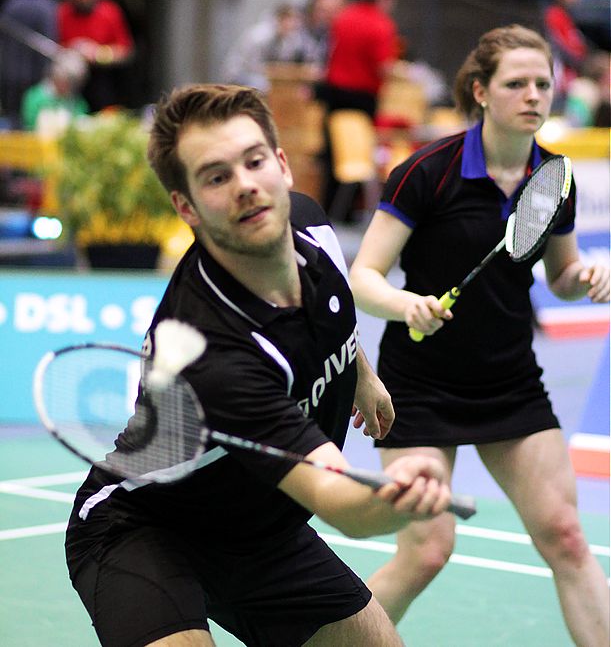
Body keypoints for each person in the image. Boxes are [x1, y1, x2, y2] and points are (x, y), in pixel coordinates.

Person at [64, 83, 453, 647]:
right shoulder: (210, 354)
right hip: (145, 528)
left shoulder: (312, 227)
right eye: (217, 176)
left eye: (253, 161)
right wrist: (399, 497)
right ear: (186, 207)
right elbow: (341, 502)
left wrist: (362, 375)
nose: (246, 185)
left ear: (283, 165)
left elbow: (330, 311)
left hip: (257, 529)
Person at [349, 24, 610, 647]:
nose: (533, 95)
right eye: (515, 83)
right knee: (428, 548)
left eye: (542, 83)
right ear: (480, 91)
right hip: (421, 385)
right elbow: (363, 275)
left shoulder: (555, 177)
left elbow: (561, 274)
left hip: (509, 380)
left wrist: (586, 277)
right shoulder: (428, 173)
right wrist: (406, 304)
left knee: (568, 537)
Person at [315, 0, 400, 222]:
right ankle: (349, 213)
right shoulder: (381, 24)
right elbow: (383, 66)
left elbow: (329, 55)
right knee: (360, 155)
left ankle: (330, 209)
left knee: (334, 155)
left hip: (334, 93)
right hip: (362, 97)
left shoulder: (343, 17)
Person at [57, 0, 134, 112]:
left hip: (103, 78)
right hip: (71, 79)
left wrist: (99, 53)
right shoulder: (63, 12)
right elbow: (55, 46)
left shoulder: (109, 11)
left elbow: (125, 51)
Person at [223, 5, 321, 93]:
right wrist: (278, 71)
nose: (294, 25)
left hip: (264, 75)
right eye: (291, 21)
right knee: (264, 86)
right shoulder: (259, 36)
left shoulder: (289, 37)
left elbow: (307, 55)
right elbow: (252, 66)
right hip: (240, 74)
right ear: (280, 19)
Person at [0, 0, 58, 128]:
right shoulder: (46, 6)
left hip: (9, 74)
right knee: (32, 123)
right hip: (35, 76)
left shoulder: (11, 4)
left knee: (12, 119)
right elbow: (49, 46)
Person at [21, 48, 89, 132]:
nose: (67, 87)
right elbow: (30, 127)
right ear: (55, 76)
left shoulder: (78, 103)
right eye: (64, 82)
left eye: (72, 84)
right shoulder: (34, 97)